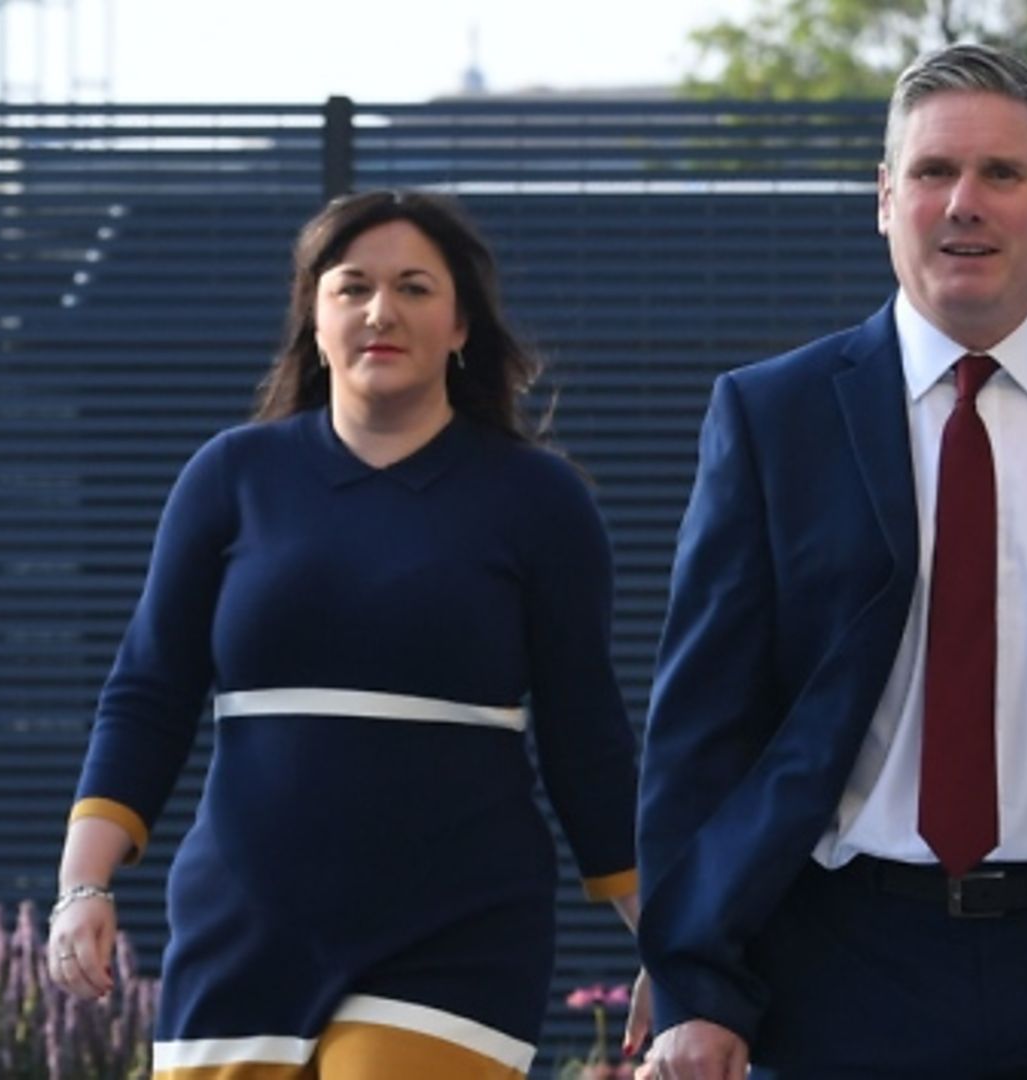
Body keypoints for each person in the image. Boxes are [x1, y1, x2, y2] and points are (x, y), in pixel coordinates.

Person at [635, 42, 1027, 1080]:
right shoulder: (772, 419)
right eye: (934, 173)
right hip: (842, 967)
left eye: (1002, 174)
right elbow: (702, 731)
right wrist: (693, 981)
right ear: (886, 199)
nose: (964, 203)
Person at [45, 190, 648, 1079]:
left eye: (413, 288)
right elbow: (148, 690)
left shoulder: (539, 502)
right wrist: (81, 887)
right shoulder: (229, 478)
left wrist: (674, 942)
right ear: (314, 319)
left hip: (458, 930)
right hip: (241, 924)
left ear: (460, 326)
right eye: (352, 287)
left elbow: (586, 736)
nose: (381, 311)